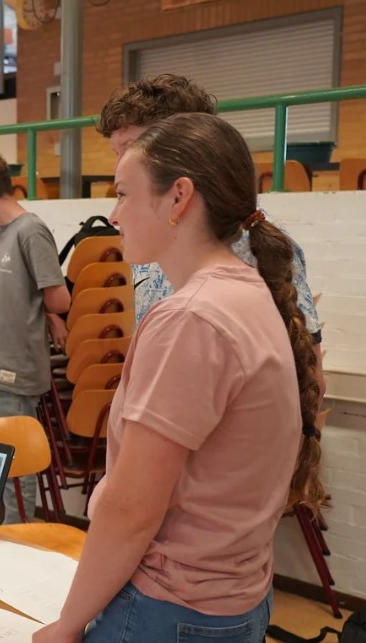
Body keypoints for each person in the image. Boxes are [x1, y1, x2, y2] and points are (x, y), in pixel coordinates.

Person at [33, 113, 324, 642]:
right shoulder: (245, 290)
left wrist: (68, 623)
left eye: (123, 194)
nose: (115, 214)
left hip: (170, 610)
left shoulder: (191, 316)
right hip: (229, 599)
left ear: (178, 198)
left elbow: (133, 508)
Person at [97, 74, 325, 398]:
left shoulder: (253, 243)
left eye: (133, 148)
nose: (121, 165)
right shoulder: (149, 244)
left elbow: (309, 373)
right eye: (116, 152)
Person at [0, 150, 70, 523]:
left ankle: (20, 535)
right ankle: (0, 534)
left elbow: (59, 297)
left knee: (15, 465)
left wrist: (51, 314)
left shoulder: (31, 230)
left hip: (17, 367)